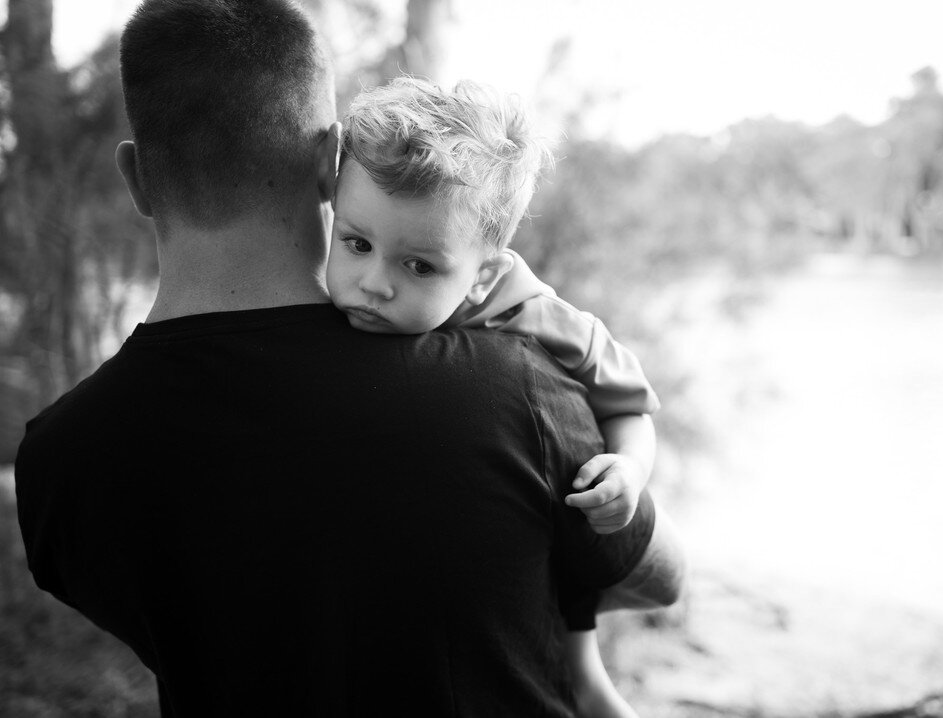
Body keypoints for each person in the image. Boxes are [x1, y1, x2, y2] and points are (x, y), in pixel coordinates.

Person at [14, 2, 687, 718]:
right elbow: (660, 577)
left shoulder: (60, 462)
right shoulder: (513, 385)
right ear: (328, 162)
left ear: (137, 178)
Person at [329, 77, 660, 717]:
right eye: (357, 244)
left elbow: (630, 403)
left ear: (481, 277)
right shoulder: (323, 289)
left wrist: (630, 469)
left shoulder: (541, 321)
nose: (373, 284)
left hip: (535, 558)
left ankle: (589, 680)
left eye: (419, 266)